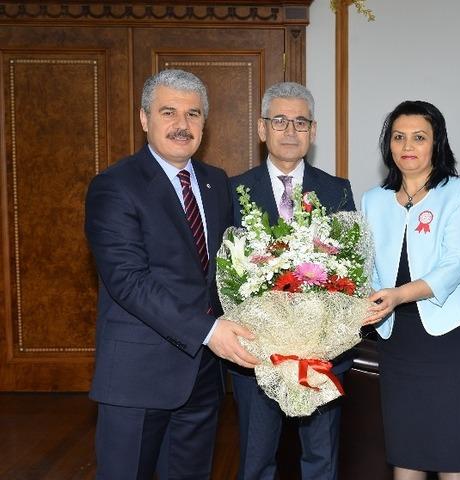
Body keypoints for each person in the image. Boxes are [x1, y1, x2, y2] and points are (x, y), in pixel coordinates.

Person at [85, 69, 258, 479]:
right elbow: (128, 280)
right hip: (137, 376)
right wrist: (210, 330)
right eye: (169, 112)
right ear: (145, 119)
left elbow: (229, 270)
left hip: (202, 377)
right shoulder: (114, 186)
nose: (182, 125)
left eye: (193, 114)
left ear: (204, 123)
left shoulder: (217, 183)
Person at [228, 82, 355, 480]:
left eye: (300, 122)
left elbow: (351, 271)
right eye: (279, 121)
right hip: (255, 355)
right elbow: (223, 274)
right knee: (256, 460)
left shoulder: (337, 190)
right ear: (262, 129)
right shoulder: (232, 191)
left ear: (313, 131)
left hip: (320, 354)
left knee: (321, 460)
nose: (290, 131)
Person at [362, 100, 460, 480]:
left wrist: (398, 295)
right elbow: (365, 264)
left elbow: (456, 262)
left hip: (450, 337)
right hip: (398, 338)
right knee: (407, 448)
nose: (407, 146)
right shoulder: (374, 200)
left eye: (419, 137)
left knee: (453, 451)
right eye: (398, 137)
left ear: (437, 143)